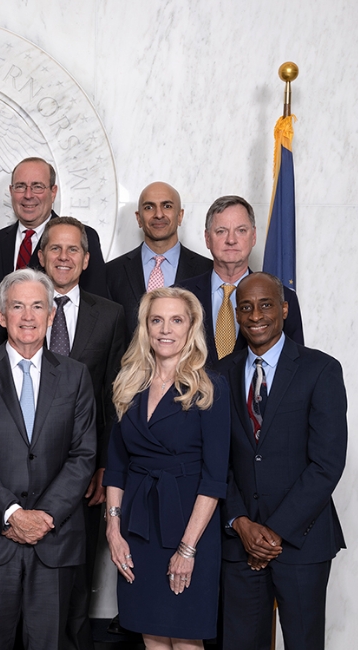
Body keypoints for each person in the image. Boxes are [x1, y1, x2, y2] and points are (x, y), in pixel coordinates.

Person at [0, 268, 96, 649]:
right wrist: (13, 514)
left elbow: (83, 454)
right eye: (17, 307)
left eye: (37, 306)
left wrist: (44, 517)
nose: (28, 316)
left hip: (55, 540)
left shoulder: (76, 376)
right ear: (1, 315)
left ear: (51, 315)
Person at [220, 273, 346, 650]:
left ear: (284, 309)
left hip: (302, 541)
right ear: (237, 314)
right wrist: (241, 523)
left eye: (266, 305)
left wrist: (274, 531)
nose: (256, 315)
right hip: (239, 544)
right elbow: (216, 461)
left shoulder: (320, 369)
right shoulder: (220, 374)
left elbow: (326, 463)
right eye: (246, 307)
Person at [103, 287, 230, 649]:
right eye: (156, 320)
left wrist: (187, 548)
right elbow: (116, 466)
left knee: (187, 639)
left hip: (190, 525)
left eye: (176, 320)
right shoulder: (128, 383)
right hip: (138, 527)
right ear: (145, 326)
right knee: (152, 636)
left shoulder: (210, 387)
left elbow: (214, 479)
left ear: (191, 327)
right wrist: (113, 530)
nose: (165, 329)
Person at [36, 216, 127, 650]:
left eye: (73, 249)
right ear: (41, 256)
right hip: (23, 465)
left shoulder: (109, 315)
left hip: (85, 468)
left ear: (87, 259)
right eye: (55, 248)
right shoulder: (21, 304)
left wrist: (105, 465)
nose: (64, 257)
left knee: (77, 569)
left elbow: (113, 396)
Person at [179, 195, 303, 368]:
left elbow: (295, 366)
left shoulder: (282, 297)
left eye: (241, 230)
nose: (231, 240)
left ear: (253, 236)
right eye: (221, 231)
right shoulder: (180, 296)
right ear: (207, 238)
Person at [0, 157, 108, 302]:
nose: (28, 195)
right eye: (20, 186)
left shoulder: (83, 236)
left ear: (53, 192)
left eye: (37, 187)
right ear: (11, 191)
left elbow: (96, 305)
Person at [106, 182, 213, 338]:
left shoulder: (208, 270)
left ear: (180, 216)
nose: (159, 214)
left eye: (167, 206)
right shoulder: (111, 273)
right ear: (139, 218)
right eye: (149, 207)